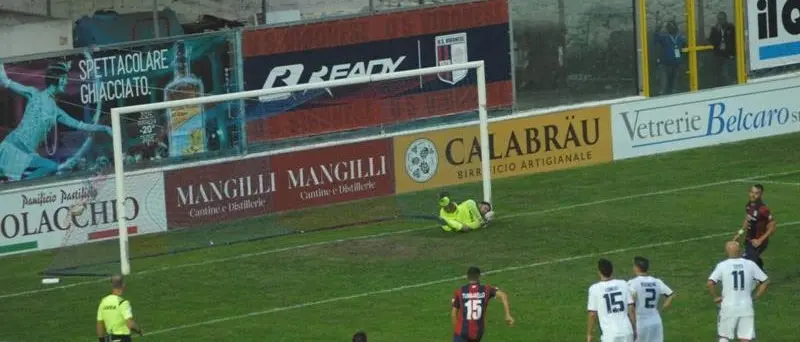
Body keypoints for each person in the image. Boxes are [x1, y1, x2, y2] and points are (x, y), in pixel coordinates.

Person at [0, 60, 112, 181]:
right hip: (13, 146)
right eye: (63, 78)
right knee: (50, 167)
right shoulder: (33, 94)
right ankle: (19, 185)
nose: (66, 82)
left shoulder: (56, 111)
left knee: (51, 167)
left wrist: (103, 128)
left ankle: (21, 185)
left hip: (26, 154)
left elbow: (81, 125)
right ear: (56, 79)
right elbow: (6, 81)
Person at [707, 241, 769, 342]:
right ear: (740, 251)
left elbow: (710, 283)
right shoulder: (750, 264)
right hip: (746, 306)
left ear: (726, 252)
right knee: (745, 338)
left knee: (724, 336)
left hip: (728, 305)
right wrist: (755, 297)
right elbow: (765, 281)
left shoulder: (722, 265)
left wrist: (716, 297)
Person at [451, 266, 514, 342]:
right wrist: (507, 314)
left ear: (467, 276)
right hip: (477, 333)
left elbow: (454, 314)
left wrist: (457, 330)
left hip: (461, 333)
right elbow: (503, 295)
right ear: (479, 276)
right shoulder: (486, 290)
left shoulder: (460, 291)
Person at [587, 258, 636, 342]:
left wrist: (589, 334)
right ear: (612, 271)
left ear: (599, 272)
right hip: (627, 331)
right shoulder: (623, 284)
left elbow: (592, 314)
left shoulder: (594, 289)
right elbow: (631, 309)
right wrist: (635, 328)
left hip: (610, 334)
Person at [627, 256, 675, 342]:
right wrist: (662, 308)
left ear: (637, 268)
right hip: (656, 321)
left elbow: (631, 305)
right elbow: (671, 295)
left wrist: (632, 324)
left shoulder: (633, 283)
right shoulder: (657, 281)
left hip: (641, 323)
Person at [733, 184, 776, 271]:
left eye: (756, 193)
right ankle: (762, 275)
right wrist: (740, 233)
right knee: (751, 259)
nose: (753, 195)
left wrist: (760, 240)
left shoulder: (763, 209)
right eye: (752, 192)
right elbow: (747, 220)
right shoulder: (749, 205)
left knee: (745, 260)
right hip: (749, 239)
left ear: (761, 195)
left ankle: (760, 278)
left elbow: (772, 226)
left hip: (758, 242)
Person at [96, 275, 142, 342]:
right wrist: (139, 330)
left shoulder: (103, 302)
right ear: (123, 285)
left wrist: (101, 340)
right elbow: (130, 324)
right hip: (123, 339)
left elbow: (99, 324)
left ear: (112, 285)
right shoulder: (122, 302)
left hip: (110, 339)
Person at [653, 19, 687, 95]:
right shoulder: (664, 37)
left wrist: (683, 61)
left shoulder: (680, 38)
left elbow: (686, 49)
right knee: (664, 86)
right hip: (665, 65)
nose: (671, 28)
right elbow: (655, 38)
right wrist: (658, 27)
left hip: (677, 65)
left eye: (672, 26)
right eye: (669, 27)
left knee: (675, 87)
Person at [708, 11, 736, 86]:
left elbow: (735, 41)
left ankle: (729, 86)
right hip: (718, 55)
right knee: (718, 74)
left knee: (726, 73)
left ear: (725, 19)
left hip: (728, 55)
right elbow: (711, 42)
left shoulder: (731, 27)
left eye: (722, 19)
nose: (720, 21)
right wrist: (717, 32)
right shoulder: (714, 29)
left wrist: (733, 53)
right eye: (719, 19)